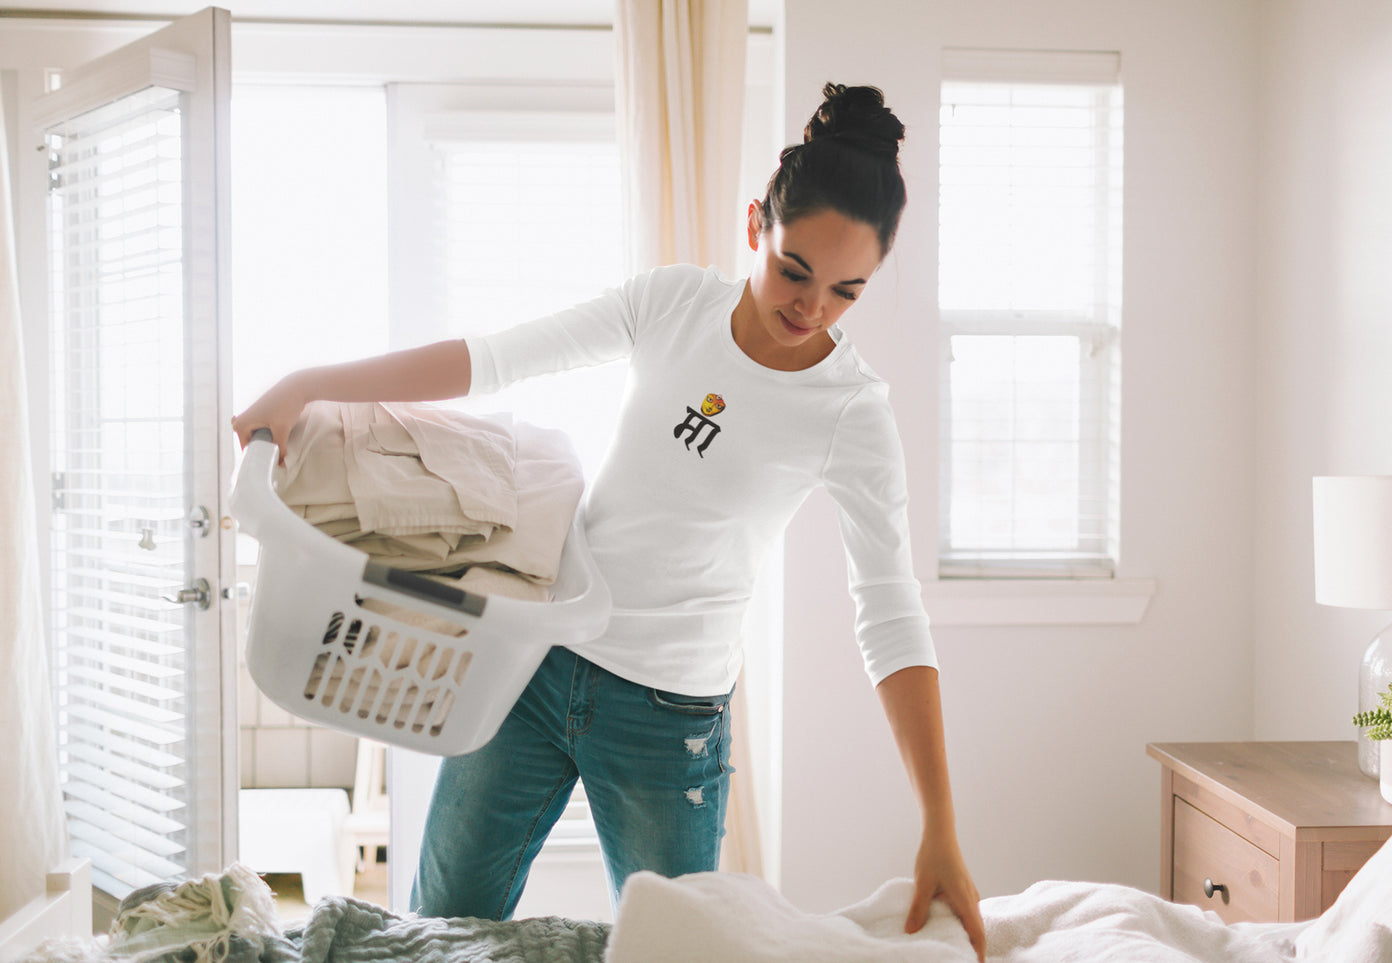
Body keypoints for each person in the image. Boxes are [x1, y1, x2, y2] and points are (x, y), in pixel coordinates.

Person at [233, 82, 986, 961]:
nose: (811, 308)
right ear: (756, 226)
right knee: (436, 927)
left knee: (674, 950)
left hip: (670, 717)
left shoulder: (850, 411)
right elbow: (492, 358)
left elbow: (890, 612)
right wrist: (306, 385)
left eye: (846, 290)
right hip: (532, 663)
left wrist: (939, 822)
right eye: (794, 270)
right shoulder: (672, 304)